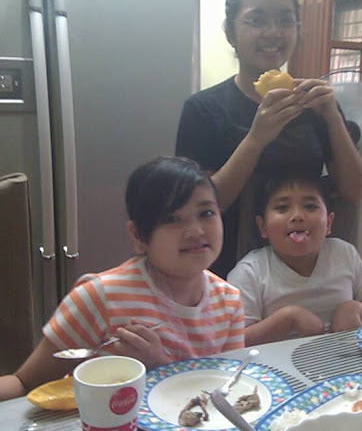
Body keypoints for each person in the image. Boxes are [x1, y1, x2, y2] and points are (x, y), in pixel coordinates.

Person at [0, 156, 245, 401]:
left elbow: (228, 389)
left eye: (206, 213)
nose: (196, 231)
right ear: (138, 236)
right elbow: (26, 382)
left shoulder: (229, 302)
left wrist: (160, 367)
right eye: (172, 219)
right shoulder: (100, 298)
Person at [176, 0, 362, 279]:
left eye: (285, 20)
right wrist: (256, 139)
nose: (274, 32)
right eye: (257, 20)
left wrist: (332, 116)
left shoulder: (314, 104)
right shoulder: (204, 109)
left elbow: (354, 192)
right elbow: (202, 207)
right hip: (228, 273)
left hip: (304, 273)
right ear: (230, 32)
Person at [227, 173, 362, 346]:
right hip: (275, 361)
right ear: (263, 226)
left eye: (310, 206)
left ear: (329, 223)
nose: (298, 216)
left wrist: (355, 309)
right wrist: (287, 319)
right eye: (282, 208)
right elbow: (234, 340)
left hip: (342, 355)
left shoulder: (344, 253)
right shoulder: (250, 272)